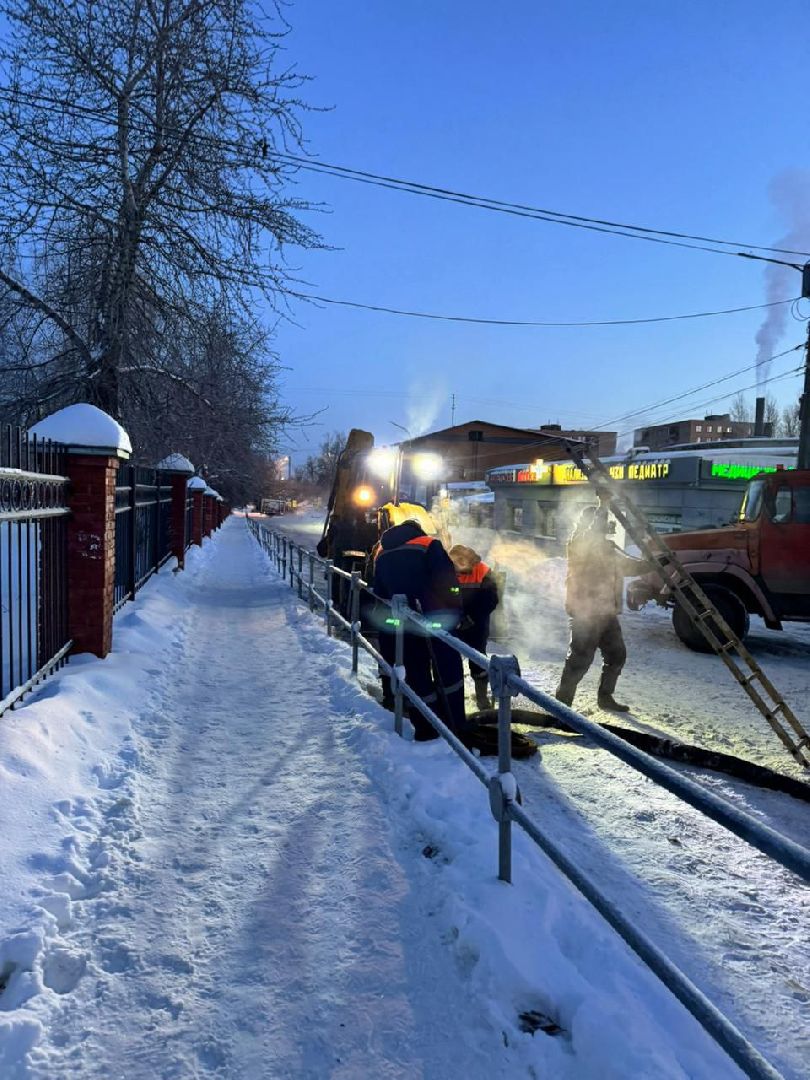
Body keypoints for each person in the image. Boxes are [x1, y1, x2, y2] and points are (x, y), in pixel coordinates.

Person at [373, 519, 467, 740]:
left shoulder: (382, 553)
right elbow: (448, 582)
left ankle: (426, 729)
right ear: (417, 530)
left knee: (416, 674)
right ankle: (455, 725)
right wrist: (456, 610)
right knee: (448, 670)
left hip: (403, 624)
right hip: (437, 619)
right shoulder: (429, 545)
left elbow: (379, 593)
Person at [556, 502, 650, 712]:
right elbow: (590, 535)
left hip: (606, 613)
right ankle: (561, 706)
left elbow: (628, 567)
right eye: (600, 524)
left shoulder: (607, 548)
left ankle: (605, 697)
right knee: (579, 661)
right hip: (585, 613)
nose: (605, 527)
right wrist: (603, 504)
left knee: (617, 656)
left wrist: (653, 564)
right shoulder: (578, 543)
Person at [448, 544, 500, 711]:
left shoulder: (483, 571)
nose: (458, 569)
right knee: (449, 658)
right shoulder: (446, 569)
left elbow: (491, 600)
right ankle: (452, 698)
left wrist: (471, 618)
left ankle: (482, 698)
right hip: (454, 621)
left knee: (478, 659)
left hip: (477, 623)